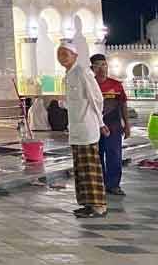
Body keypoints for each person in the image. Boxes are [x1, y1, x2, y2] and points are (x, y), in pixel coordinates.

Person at [57, 40, 107, 218]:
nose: (61, 57)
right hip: (76, 129)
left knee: (91, 168)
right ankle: (87, 204)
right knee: (81, 169)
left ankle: (99, 206)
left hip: (87, 127)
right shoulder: (68, 75)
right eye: (59, 54)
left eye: (65, 54)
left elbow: (97, 98)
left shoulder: (83, 72)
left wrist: (100, 123)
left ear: (75, 56)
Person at [90, 53, 131, 196]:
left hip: (114, 126)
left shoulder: (116, 85)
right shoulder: (90, 85)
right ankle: (100, 184)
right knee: (97, 155)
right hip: (94, 127)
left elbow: (123, 104)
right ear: (92, 68)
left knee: (114, 155)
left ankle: (113, 185)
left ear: (107, 66)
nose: (101, 68)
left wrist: (127, 125)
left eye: (103, 65)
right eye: (97, 66)